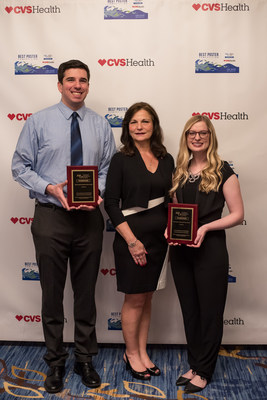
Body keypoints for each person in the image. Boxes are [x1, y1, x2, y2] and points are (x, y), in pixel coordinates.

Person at [11, 59, 116, 394]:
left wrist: (97, 192)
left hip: (88, 220)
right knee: (52, 295)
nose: (77, 85)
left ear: (88, 85)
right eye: (70, 80)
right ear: (59, 85)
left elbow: (107, 169)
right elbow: (19, 166)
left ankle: (85, 358)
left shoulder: (100, 125)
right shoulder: (38, 122)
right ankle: (55, 362)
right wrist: (49, 187)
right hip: (51, 217)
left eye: (83, 80)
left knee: (86, 295)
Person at [167, 115, 244, 394]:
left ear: (210, 137)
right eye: (191, 133)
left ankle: (204, 371)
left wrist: (207, 227)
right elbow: (177, 212)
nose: (197, 137)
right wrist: (170, 229)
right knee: (191, 312)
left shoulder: (223, 171)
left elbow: (237, 214)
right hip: (181, 252)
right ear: (185, 137)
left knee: (210, 313)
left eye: (203, 133)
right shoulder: (180, 170)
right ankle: (195, 363)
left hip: (210, 250)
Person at [104, 102, 174, 380]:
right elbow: (110, 204)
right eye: (134, 122)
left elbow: (172, 199)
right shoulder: (121, 160)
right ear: (127, 128)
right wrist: (132, 241)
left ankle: (142, 351)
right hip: (131, 239)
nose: (140, 127)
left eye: (145, 121)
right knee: (134, 299)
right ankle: (131, 353)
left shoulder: (166, 158)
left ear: (154, 126)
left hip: (160, 240)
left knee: (147, 297)